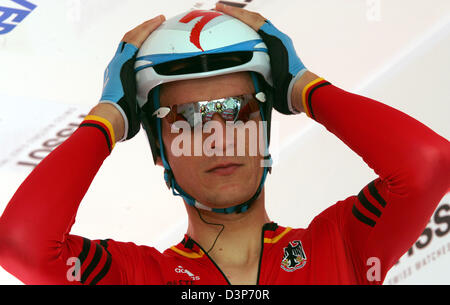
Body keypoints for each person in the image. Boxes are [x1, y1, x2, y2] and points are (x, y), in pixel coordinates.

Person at [0, 4, 449, 285]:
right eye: (187, 122)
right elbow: (21, 244)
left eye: (238, 112)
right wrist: (109, 117)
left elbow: (427, 166)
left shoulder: (344, 247)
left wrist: (303, 88)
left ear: (265, 131)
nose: (217, 140)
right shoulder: (136, 277)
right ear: (160, 151)